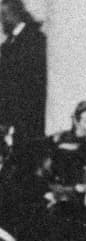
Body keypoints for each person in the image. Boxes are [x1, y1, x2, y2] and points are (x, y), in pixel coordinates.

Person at [0, 0, 47, 146]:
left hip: (29, 116)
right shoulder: (8, 44)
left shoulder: (34, 40)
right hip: (12, 117)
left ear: (15, 14)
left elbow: (33, 81)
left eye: (4, 15)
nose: (2, 21)